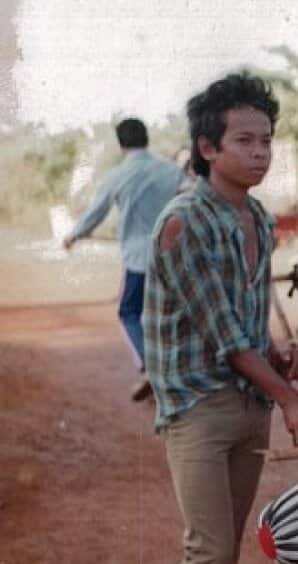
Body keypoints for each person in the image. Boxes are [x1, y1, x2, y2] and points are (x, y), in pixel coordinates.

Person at [131, 72, 298, 564]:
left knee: (224, 552)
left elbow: (251, 325)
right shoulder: (184, 222)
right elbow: (224, 337)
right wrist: (290, 396)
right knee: (207, 550)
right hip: (198, 408)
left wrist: (284, 358)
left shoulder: (256, 217)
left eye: (267, 140)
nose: (261, 152)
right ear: (209, 148)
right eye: (245, 140)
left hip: (246, 404)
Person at [63, 117, 184, 402]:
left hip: (139, 260)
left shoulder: (115, 177)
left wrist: (74, 235)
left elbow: (95, 213)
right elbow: (191, 196)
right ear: (146, 138)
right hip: (172, 256)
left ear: (121, 144)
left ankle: (148, 366)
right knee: (168, 312)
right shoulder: (170, 171)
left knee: (129, 312)